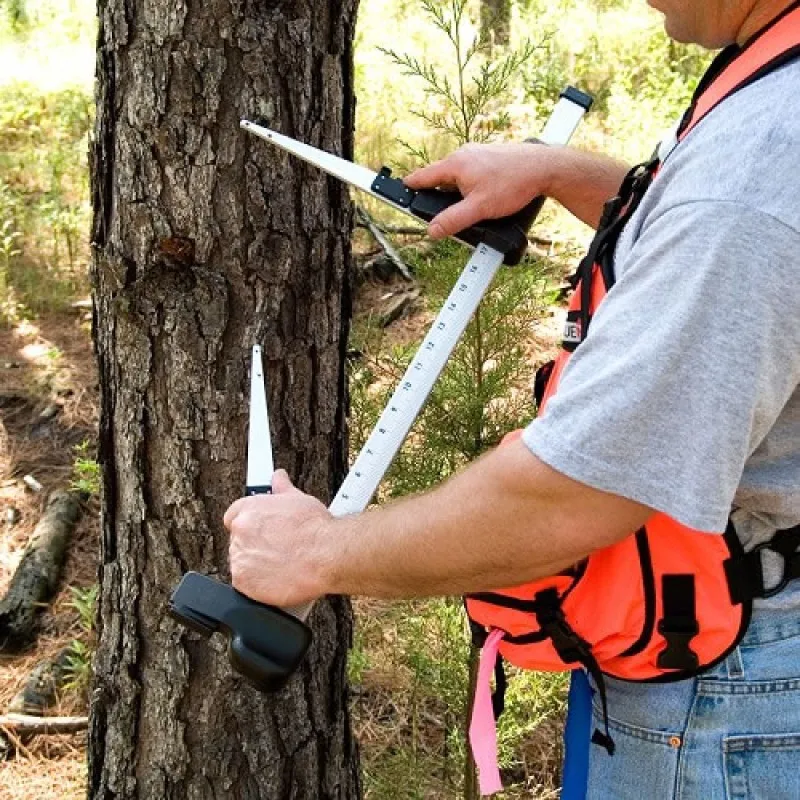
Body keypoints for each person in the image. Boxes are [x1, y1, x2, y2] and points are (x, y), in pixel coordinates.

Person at [224, 1, 800, 797]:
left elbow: (576, 497)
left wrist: (313, 553)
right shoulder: (775, 75)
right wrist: (571, 177)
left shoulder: (757, 167)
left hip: (731, 697)